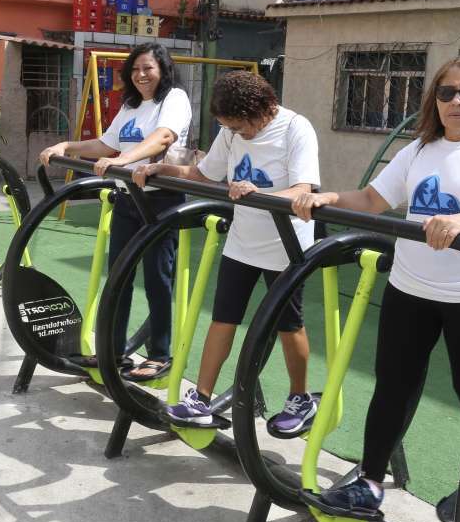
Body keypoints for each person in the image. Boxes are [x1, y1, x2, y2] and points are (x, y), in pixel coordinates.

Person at [291, 53, 460, 522]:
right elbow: (372, 200)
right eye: (446, 93)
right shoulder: (418, 150)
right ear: (434, 100)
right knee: (393, 385)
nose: (456, 102)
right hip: (410, 288)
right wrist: (329, 198)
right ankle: (369, 483)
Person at [134, 70, 322, 437]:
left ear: (264, 108)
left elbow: (303, 191)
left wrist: (257, 193)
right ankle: (199, 399)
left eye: (240, 127)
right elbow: (205, 174)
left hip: (286, 245)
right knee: (223, 318)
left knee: (289, 323)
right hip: (243, 241)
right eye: (230, 128)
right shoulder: (231, 131)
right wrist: (163, 167)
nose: (237, 134)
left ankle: (301, 398)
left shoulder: (296, 129)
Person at [39, 43, 192, 382]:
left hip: (160, 199)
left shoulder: (174, 99)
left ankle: (159, 354)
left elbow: (163, 137)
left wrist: (124, 161)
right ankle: (115, 350)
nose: (141, 75)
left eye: (148, 68)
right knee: (119, 277)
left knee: (157, 278)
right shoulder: (131, 105)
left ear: (163, 70)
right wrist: (68, 146)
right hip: (127, 199)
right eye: (136, 69)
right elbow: (107, 145)